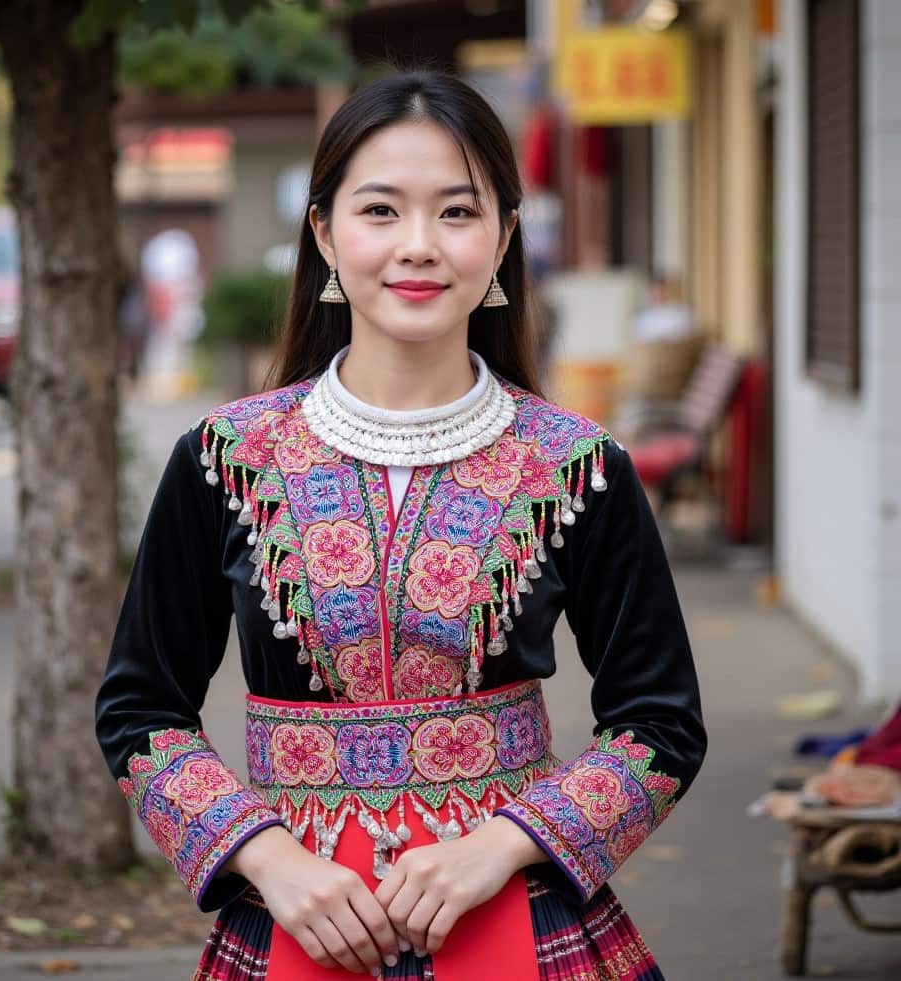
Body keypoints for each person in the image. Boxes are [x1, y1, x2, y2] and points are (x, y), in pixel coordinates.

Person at [95, 69, 707, 981]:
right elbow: (141, 710)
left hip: (516, 915)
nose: (418, 246)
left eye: (457, 213)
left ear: (504, 236)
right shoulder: (224, 458)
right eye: (380, 210)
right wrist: (268, 859)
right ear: (324, 233)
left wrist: (502, 844)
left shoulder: (577, 466)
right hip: (300, 919)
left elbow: (660, 724)